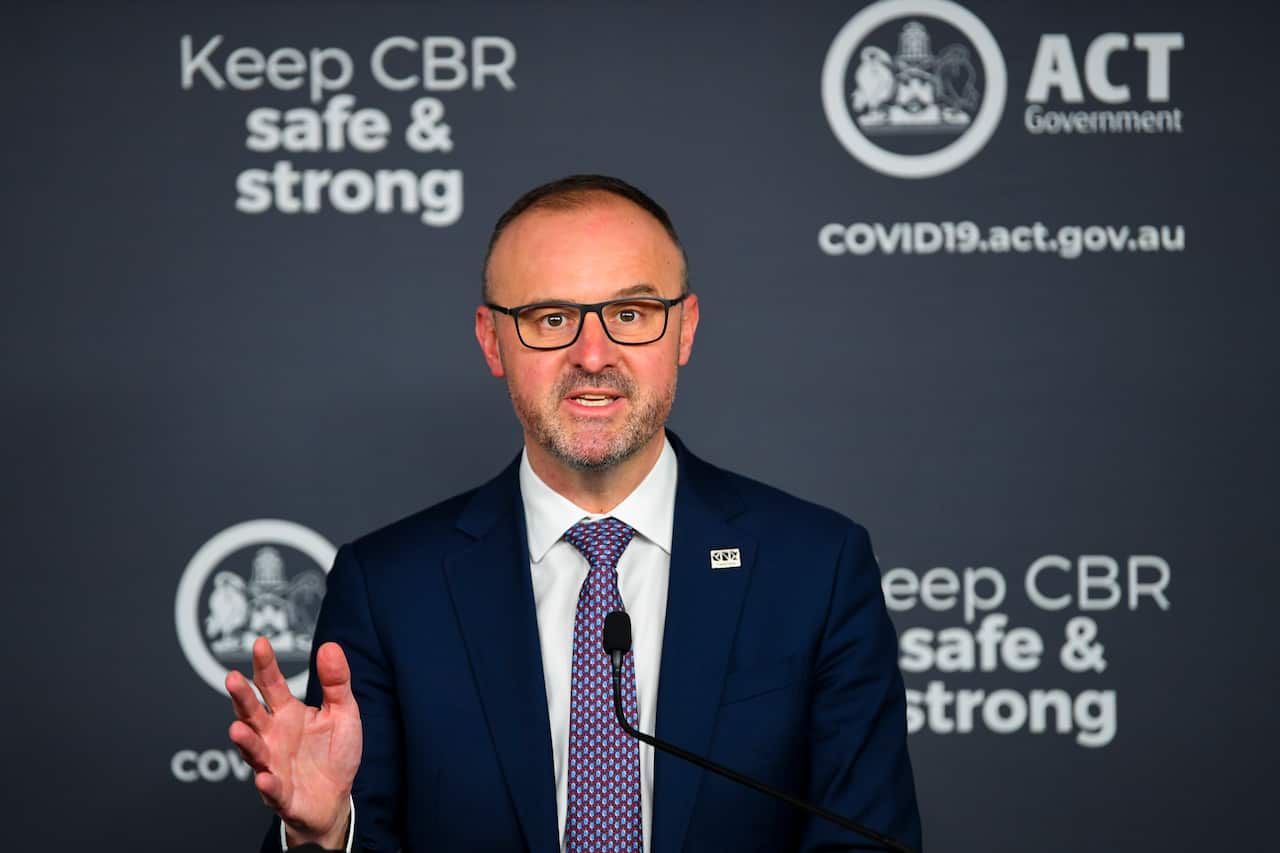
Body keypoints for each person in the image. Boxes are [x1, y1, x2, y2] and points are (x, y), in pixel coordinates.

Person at [226, 174, 922, 852]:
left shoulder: (816, 569)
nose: (594, 355)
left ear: (684, 329)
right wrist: (325, 834)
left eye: (631, 313)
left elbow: (866, 838)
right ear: (492, 340)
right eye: (550, 318)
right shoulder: (387, 589)